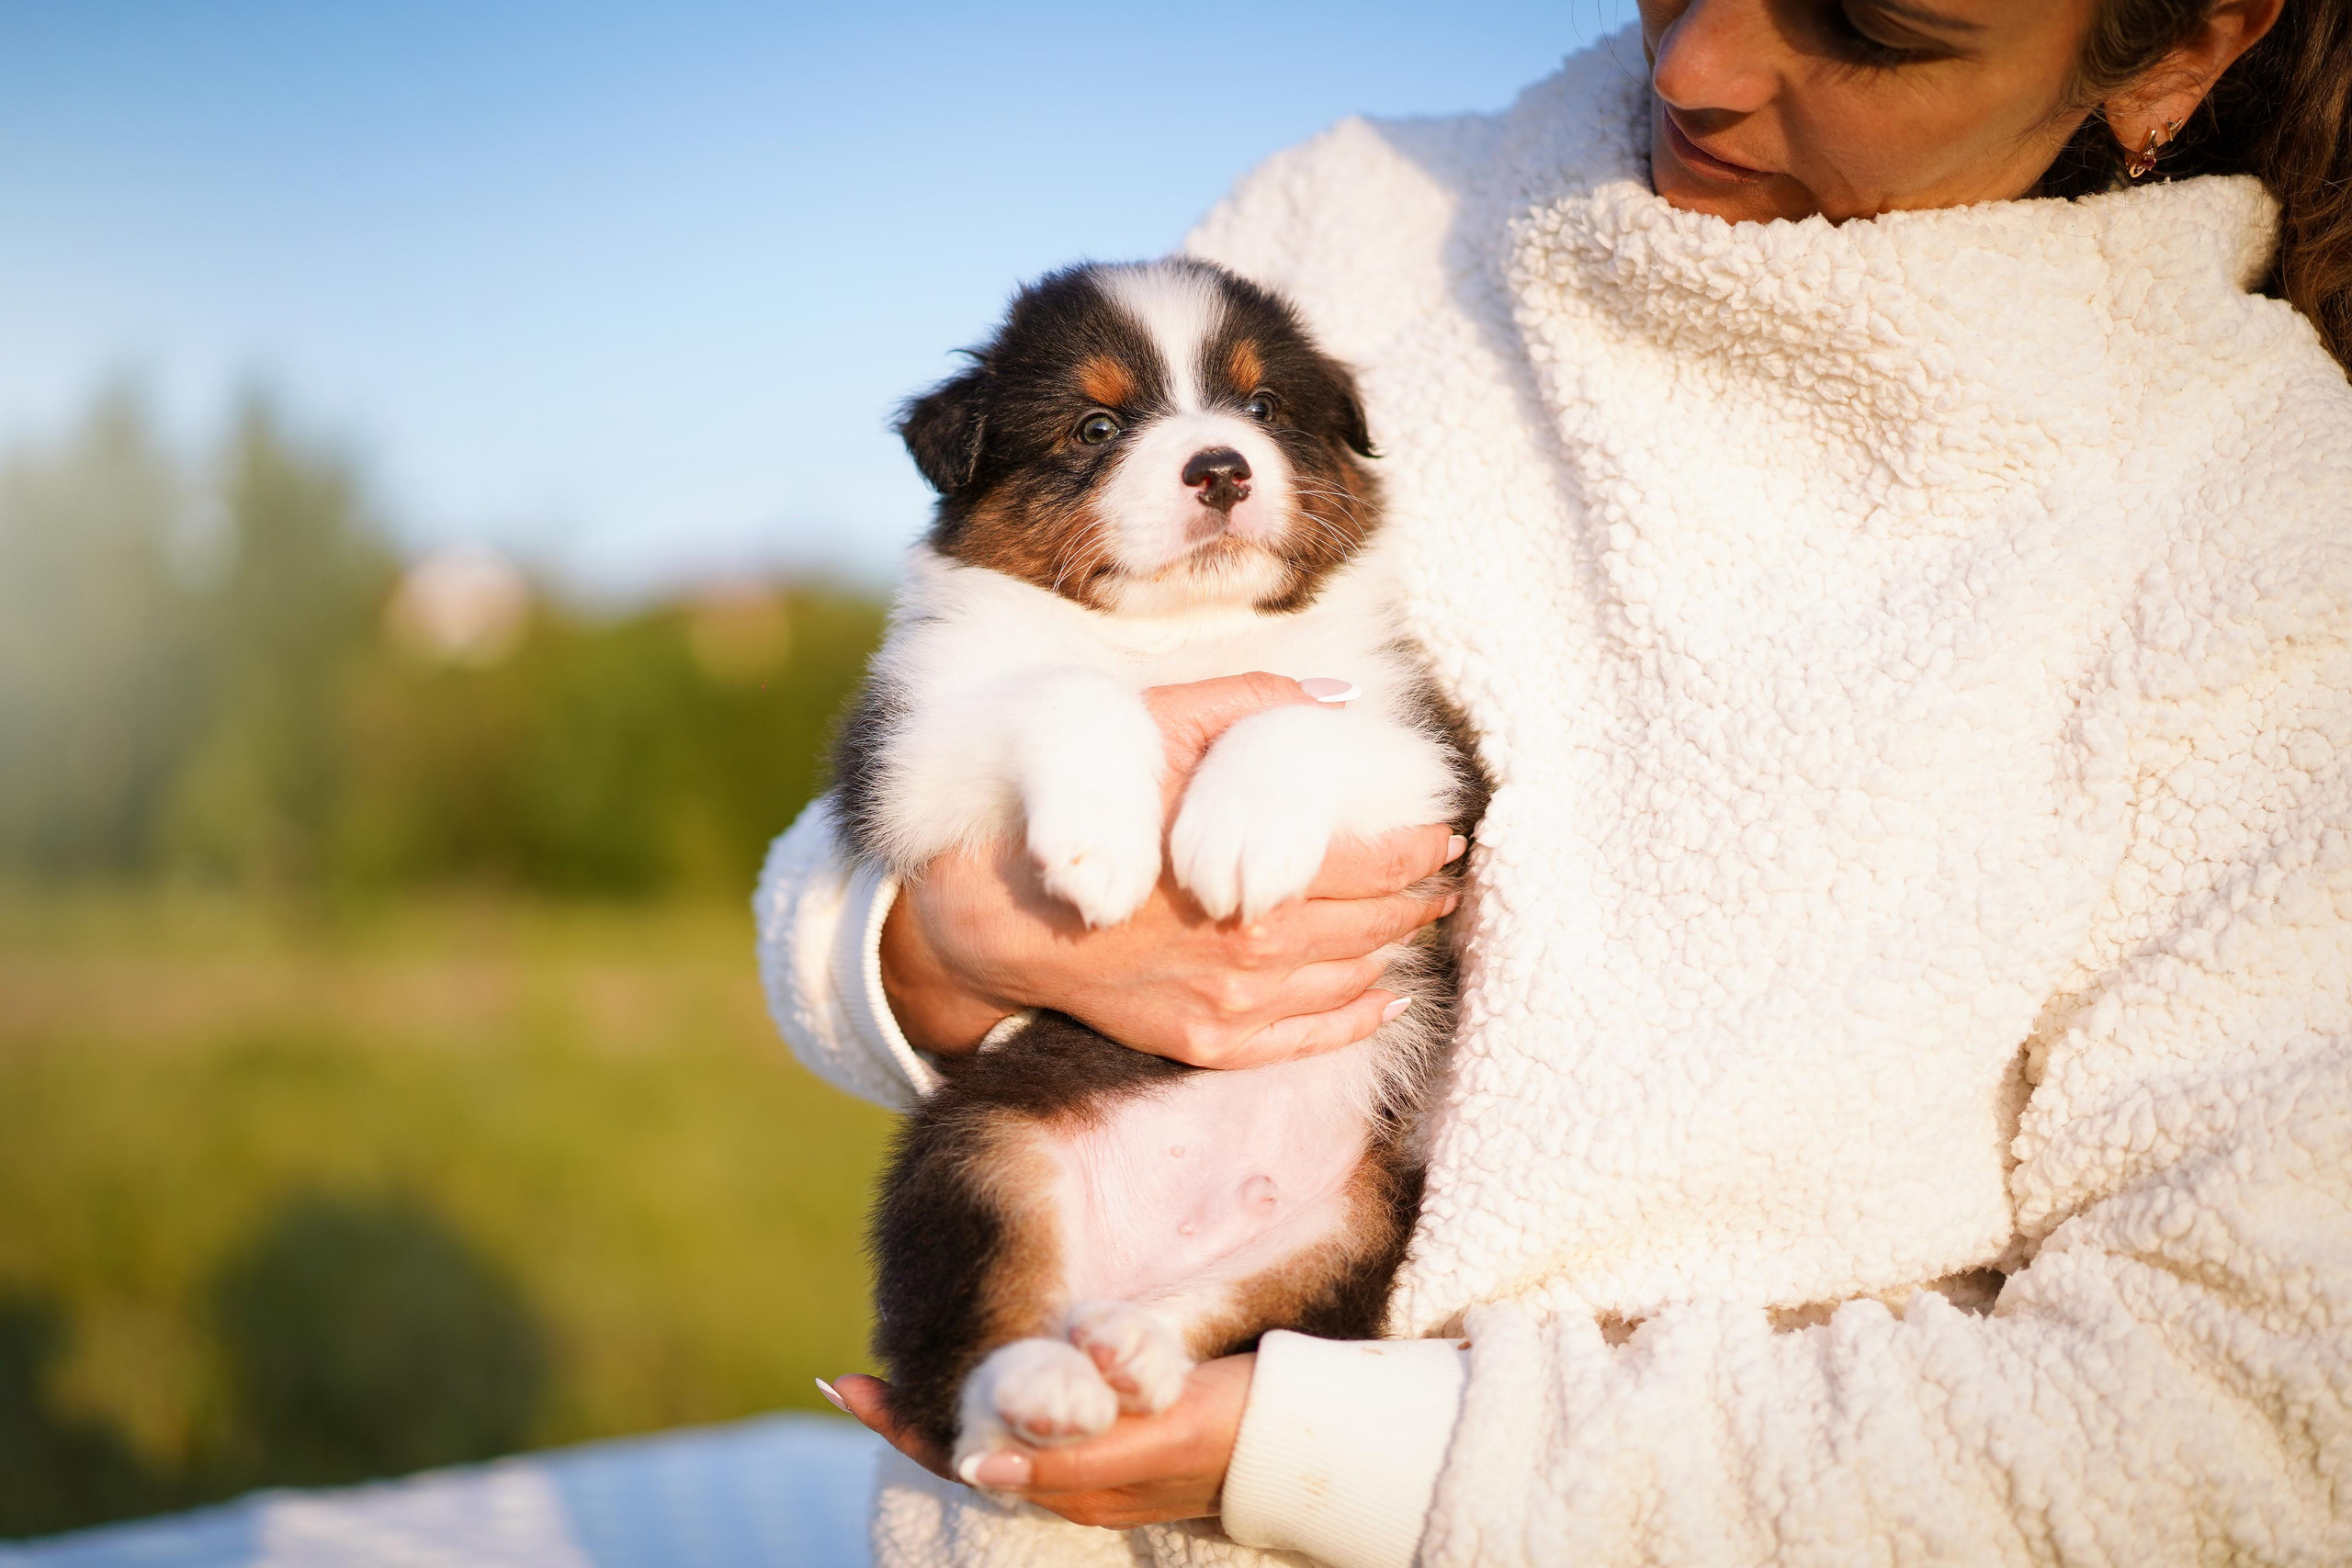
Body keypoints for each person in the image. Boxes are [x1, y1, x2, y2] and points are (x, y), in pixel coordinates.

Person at [755, 0, 2352, 1562]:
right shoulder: (1357, 214)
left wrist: (1326, 1454)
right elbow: (845, 865)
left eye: (1870, 24)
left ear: (2190, 45)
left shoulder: (2254, 510)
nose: (1701, 63)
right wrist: (935, 947)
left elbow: (2254, 1402)